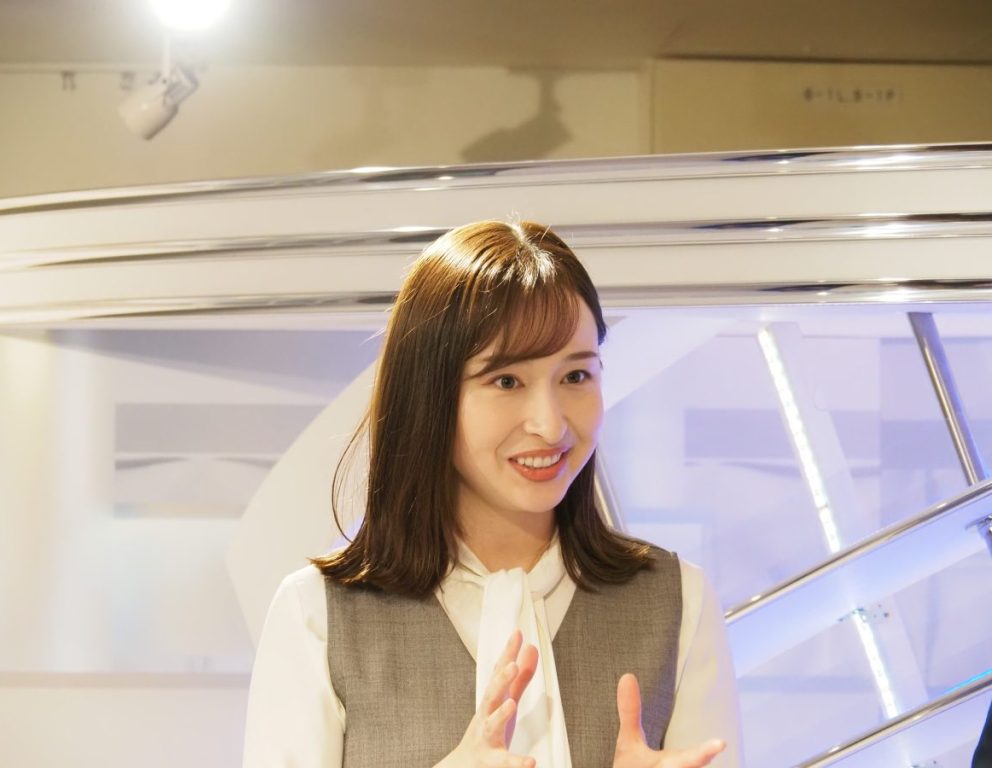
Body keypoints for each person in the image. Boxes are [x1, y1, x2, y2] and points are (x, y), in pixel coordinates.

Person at [243, 220, 743, 767]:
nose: (550, 425)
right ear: (429, 395)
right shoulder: (317, 615)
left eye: (576, 376)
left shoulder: (680, 602)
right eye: (507, 381)